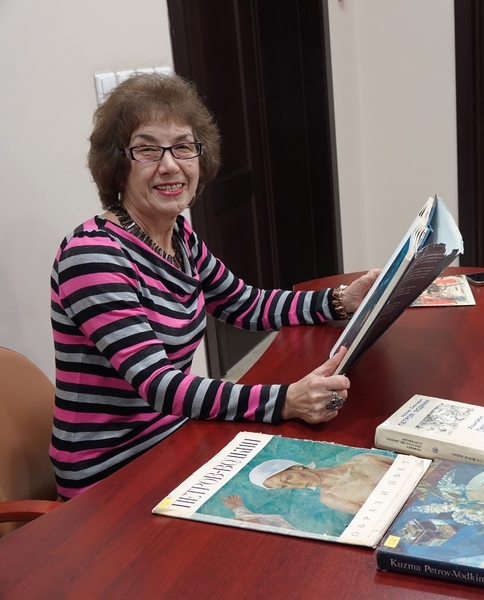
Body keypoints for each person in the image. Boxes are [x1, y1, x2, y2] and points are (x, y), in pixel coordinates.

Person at [50, 73, 378, 500]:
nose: (170, 165)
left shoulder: (178, 237)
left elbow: (246, 304)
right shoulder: (92, 256)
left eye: (183, 146)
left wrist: (340, 300)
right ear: (118, 164)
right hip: (110, 474)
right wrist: (285, 400)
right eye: (147, 149)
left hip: (175, 438)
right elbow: (161, 385)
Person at [248, 454, 394, 514]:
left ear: (297, 467)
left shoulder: (362, 459)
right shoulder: (330, 497)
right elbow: (377, 517)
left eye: (287, 478)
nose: (295, 485)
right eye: (285, 486)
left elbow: (407, 463)